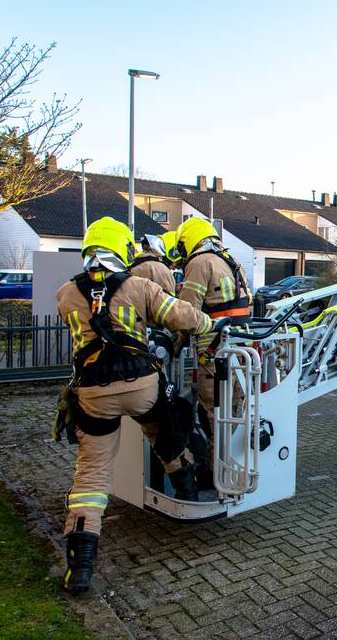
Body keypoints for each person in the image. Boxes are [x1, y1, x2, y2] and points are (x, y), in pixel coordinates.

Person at [56, 216, 220, 594]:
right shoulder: (138, 286)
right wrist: (209, 325)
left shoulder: (66, 294)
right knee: (165, 432)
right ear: (123, 250)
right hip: (141, 386)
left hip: (93, 394)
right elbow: (180, 316)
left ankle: (80, 566)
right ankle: (186, 492)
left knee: (91, 475)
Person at [173, 217, 252, 486]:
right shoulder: (232, 260)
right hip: (240, 348)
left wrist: (176, 343)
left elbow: (186, 313)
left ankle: (218, 477)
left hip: (213, 351)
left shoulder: (199, 263)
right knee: (234, 411)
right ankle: (230, 469)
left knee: (215, 414)